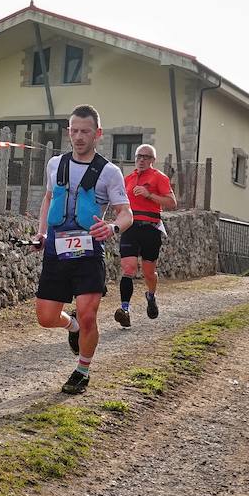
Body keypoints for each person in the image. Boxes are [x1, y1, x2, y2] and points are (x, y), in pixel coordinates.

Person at [33, 106, 132, 395]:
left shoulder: (109, 172)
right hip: (56, 252)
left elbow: (126, 213)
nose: (78, 136)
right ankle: (71, 326)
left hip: (89, 254)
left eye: (85, 131)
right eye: (73, 130)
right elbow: (49, 199)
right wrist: (40, 234)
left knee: (90, 315)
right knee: (46, 317)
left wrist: (113, 228)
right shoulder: (55, 164)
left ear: (97, 134)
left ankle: (82, 370)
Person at [113, 144, 177, 327]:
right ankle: (124, 309)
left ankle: (151, 295)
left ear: (152, 160)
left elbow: (172, 203)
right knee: (129, 268)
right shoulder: (127, 179)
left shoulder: (159, 177)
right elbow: (118, 202)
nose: (141, 159)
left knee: (149, 273)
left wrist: (149, 195)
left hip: (151, 228)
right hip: (130, 228)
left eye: (146, 157)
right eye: (138, 156)